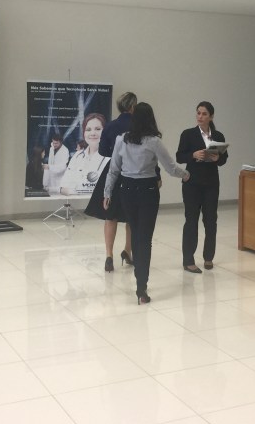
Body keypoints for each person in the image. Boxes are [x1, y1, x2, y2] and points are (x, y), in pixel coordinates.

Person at [104, 102, 189, 304]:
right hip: (148, 191)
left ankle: (139, 279)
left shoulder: (121, 140)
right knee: (145, 238)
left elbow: (113, 169)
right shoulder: (154, 142)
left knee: (135, 232)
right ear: (151, 119)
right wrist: (186, 175)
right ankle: (141, 286)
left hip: (127, 191)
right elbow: (170, 168)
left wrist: (107, 193)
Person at [85, 92, 137, 272]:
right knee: (132, 215)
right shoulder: (139, 125)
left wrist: (115, 155)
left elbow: (102, 151)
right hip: (133, 172)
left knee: (110, 214)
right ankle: (128, 251)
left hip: (113, 171)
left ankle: (109, 255)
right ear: (133, 106)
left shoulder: (110, 126)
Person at [176, 101, 227, 273]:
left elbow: (224, 159)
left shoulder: (218, 135)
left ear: (211, 116)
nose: (200, 116)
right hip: (192, 183)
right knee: (191, 220)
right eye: (198, 113)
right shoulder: (188, 134)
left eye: (204, 114)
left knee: (211, 220)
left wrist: (217, 159)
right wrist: (193, 155)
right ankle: (188, 260)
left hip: (211, 183)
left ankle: (208, 257)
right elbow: (179, 156)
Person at [60, 113, 107, 195]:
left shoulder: (111, 158)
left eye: (98, 129)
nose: (93, 133)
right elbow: (63, 188)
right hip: (76, 202)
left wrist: (76, 191)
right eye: (88, 129)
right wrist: (76, 192)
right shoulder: (77, 156)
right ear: (84, 133)